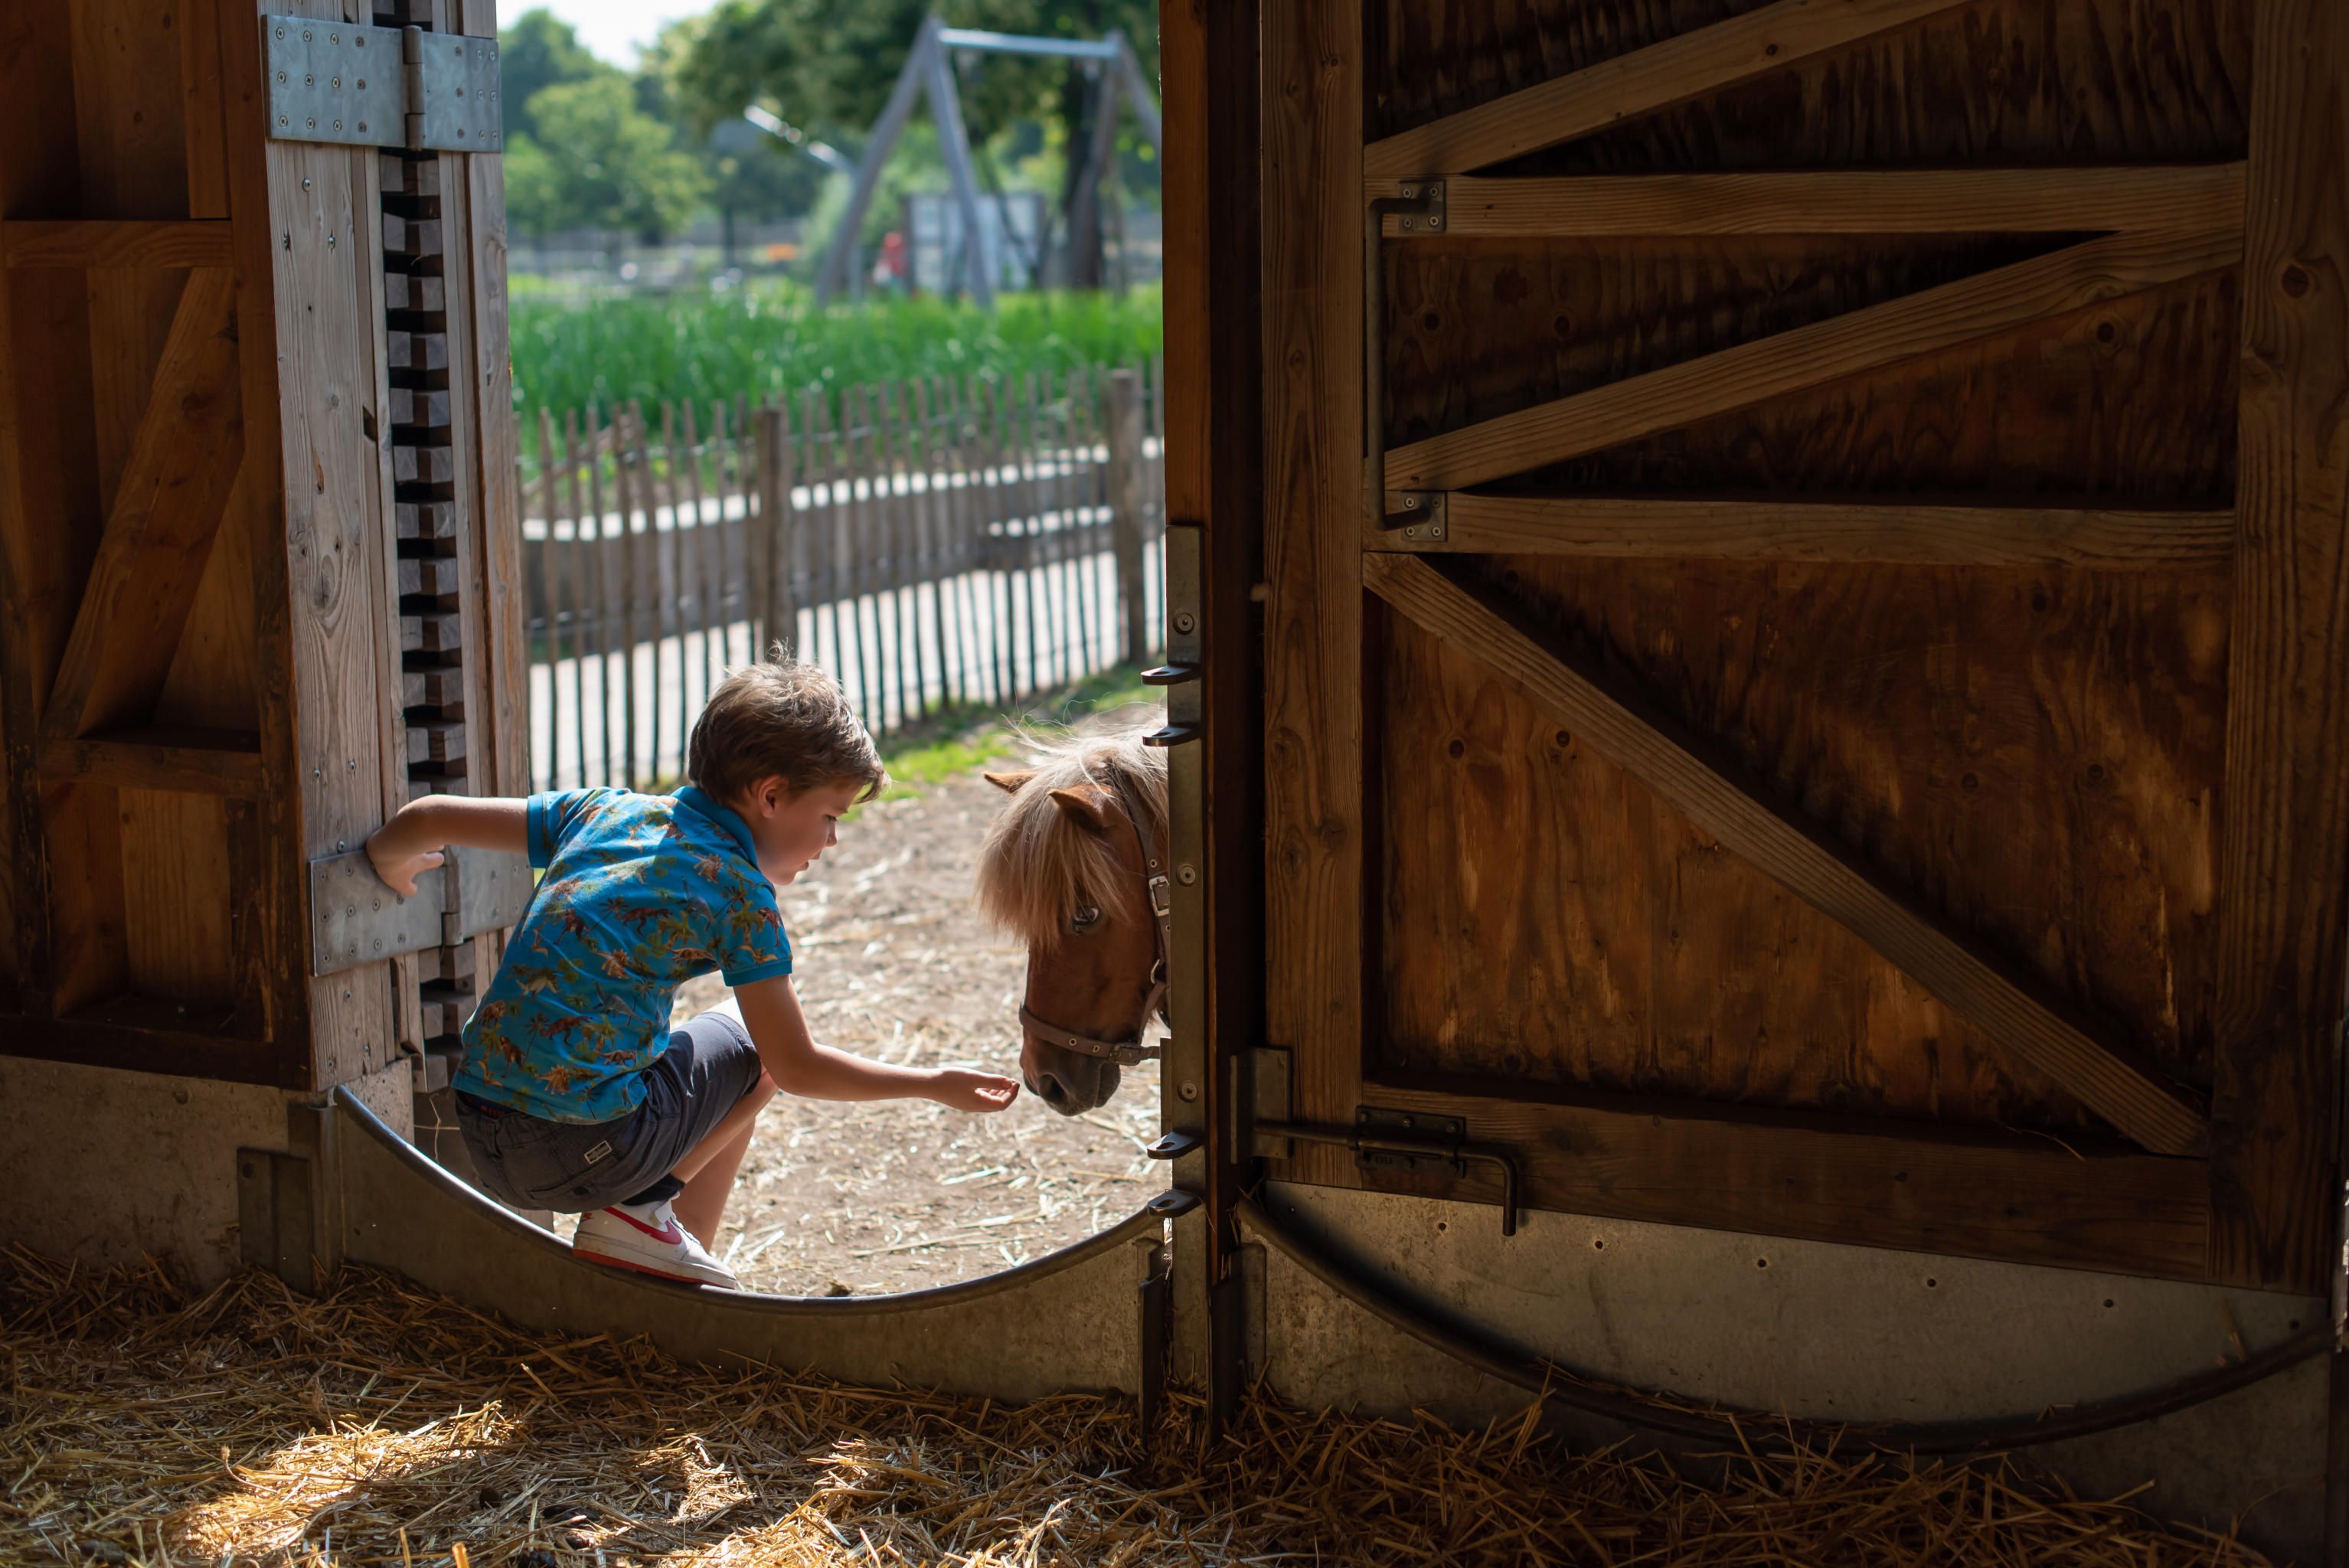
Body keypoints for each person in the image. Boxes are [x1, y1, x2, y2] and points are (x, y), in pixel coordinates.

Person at [363, 655, 1019, 1289]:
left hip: (478, 1129)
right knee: (753, 1048)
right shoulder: (739, 892)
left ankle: (660, 1242)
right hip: (581, 1151)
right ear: (770, 795)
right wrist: (932, 1083)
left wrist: (388, 864)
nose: (831, 840)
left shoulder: (602, 813)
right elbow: (796, 1067)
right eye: (829, 816)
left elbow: (429, 817)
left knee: (700, 1040)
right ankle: (646, 1226)